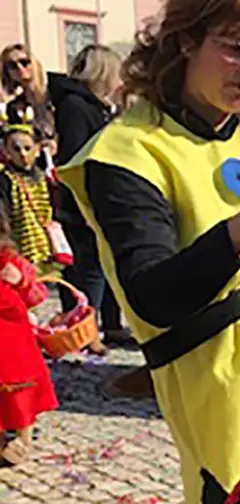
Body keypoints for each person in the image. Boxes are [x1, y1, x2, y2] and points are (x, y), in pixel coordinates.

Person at [59, 0, 240, 504]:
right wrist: (237, 234)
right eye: (235, 49)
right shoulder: (129, 150)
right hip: (214, 382)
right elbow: (153, 295)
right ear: (185, 41)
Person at [49, 45, 125, 355]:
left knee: (105, 265)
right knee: (89, 268)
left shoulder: (95, 106)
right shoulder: (76, 107)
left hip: (101, 199)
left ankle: (110, 323)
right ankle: (84, 330)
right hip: (82, 201)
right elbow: (77, 155)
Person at [0, 209, 57, 467]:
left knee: (21, 398)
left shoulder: (10, 260)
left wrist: (21, 281)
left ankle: (23, 440)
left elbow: (37, 295)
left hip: (15, 348)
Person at [0, 124, 58, 276]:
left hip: (46, 246)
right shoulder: (5, 179)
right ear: (6, 152)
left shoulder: (43, 176)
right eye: (16, 149)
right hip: (20, 247)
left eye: (27, 148)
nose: (23, 154)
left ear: (38, 149)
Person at [1, 45, 55, 158]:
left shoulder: (56, 93)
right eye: (12, 66)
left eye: (24, 62)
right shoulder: (14, 107)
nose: (20, 67)